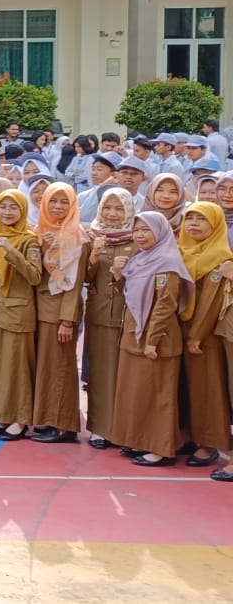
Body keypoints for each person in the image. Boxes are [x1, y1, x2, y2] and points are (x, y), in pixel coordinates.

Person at [112, 211, 189, 465]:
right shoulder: (140, 259)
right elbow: (130, 295)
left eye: (146, 230)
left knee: (159, 396)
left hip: (157, 340)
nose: (139, 235)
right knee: (138, 394)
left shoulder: (167, 263)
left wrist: (152, 341)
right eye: (136, 230)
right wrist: (118, 274)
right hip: (134, 337)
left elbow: (165, 306)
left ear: (160, 231)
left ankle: (161, 449)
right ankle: (141, 441)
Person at [175, 201, 233, 470]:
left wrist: (196, 335)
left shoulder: (221, 258)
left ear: (216, 225)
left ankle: (210, 443)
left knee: (207, 391)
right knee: (186, 388)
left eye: (201, 219)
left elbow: (210, 302)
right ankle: (189, 436)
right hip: (180, 331)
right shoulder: (181, 252)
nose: (194, 224)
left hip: (204, 337)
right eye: (190, 219)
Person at [29, 183, 86, 444]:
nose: (58, 207)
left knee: (61, 368)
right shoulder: (39, 232)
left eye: (64, 202)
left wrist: (67, 320)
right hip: (41, 310)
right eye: (53, 201)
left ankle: (64, 425)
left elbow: (74, 284)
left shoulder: (76, 236)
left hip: (59, 313)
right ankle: (49, 419)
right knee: (48, 369)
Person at [0, 190, 42, 441]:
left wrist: (11, 251)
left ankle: (21, 419)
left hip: (18, 313)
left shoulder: (29, 240)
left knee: (18, 368)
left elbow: (35, 276)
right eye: (3, 207)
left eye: (13, 207)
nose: (7, 212)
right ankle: (4, 415)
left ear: (23, 210)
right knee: (0, 367)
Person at [82, 188, 135, 449]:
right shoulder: (92, 237)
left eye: (119, 208)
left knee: (127, 376)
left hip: (129, 317)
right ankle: (101, 428)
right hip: (100, 316)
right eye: (107, 207)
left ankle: (126, 430)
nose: (112, 214)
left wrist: (121, 274)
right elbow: (83, 278)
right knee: (100, 374)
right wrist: (93, 255)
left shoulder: (138, 239)